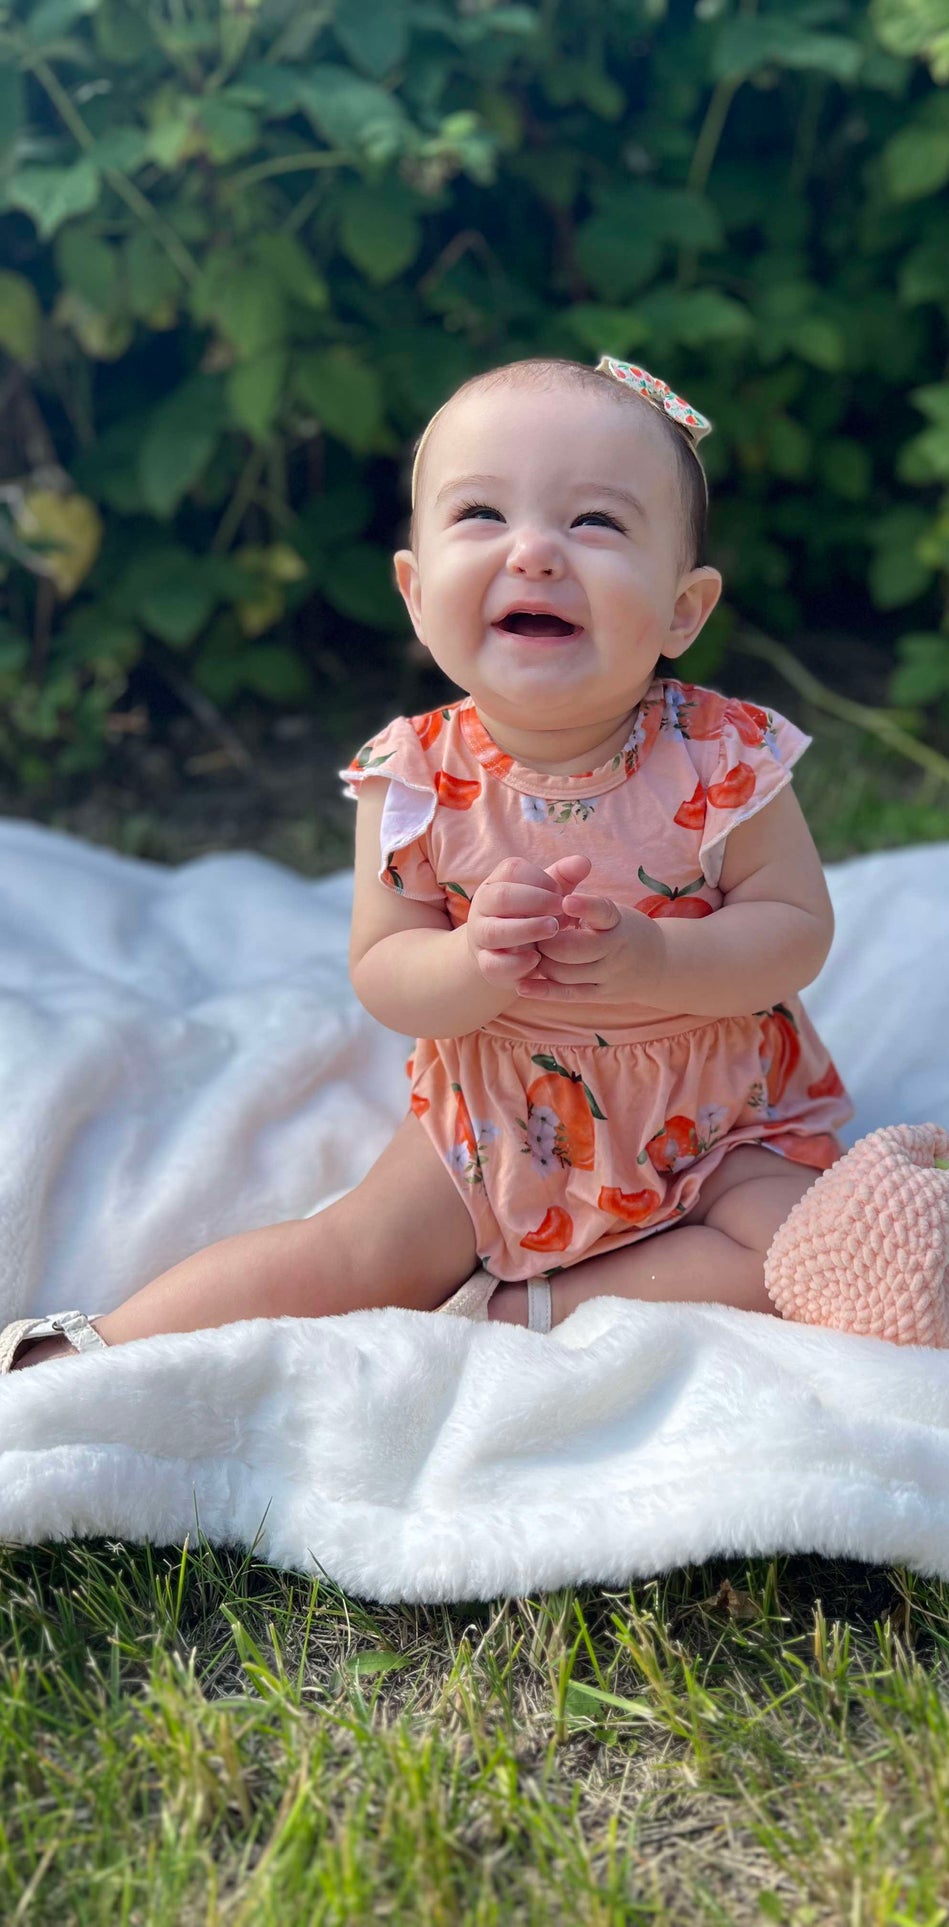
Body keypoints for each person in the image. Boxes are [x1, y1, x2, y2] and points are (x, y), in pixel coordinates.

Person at [4, 354, 855, 1367]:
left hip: (722, 1114)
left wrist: (657, 959)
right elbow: (384, 968)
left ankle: (535, 1309)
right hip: (502, 1108)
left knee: (805, 1249)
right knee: (356, 1252)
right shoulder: (413, 777)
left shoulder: (724, 756)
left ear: (683, 609)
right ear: (414, 592)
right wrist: (469, 962)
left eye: (595, 522)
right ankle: (91, 1349)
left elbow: (794, 929)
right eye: (482, 514)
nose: (534, 551)